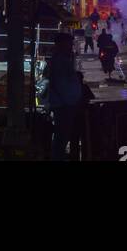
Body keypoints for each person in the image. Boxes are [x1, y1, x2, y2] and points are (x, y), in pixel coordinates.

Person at [46, 32, 82, 162]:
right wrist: (72, 101)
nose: (71, 46)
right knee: (62, 136)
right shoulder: (60, 61)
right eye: (69, 43)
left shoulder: (63, 59)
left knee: (63, 136)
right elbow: (62, 84)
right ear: (62, 44)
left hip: (65, 104)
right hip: (64, 105)